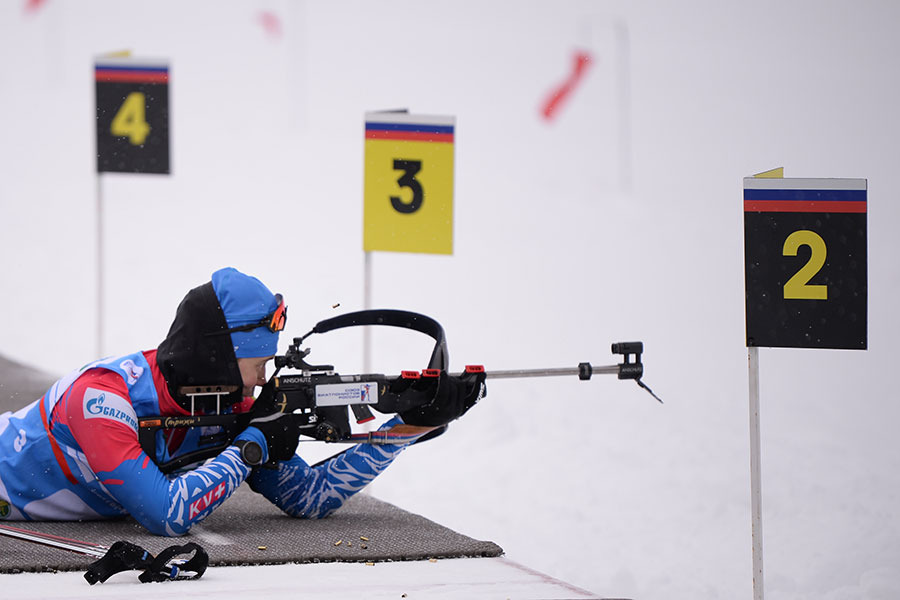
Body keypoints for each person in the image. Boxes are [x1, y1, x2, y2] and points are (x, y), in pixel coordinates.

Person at [0, 268, 485, 535]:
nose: (261, 382)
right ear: (218, 356)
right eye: (256, 365)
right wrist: (251, 448)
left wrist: (406, 427)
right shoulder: (102, 399)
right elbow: (166, 515)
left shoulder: (227, 402)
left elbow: (309, 498)